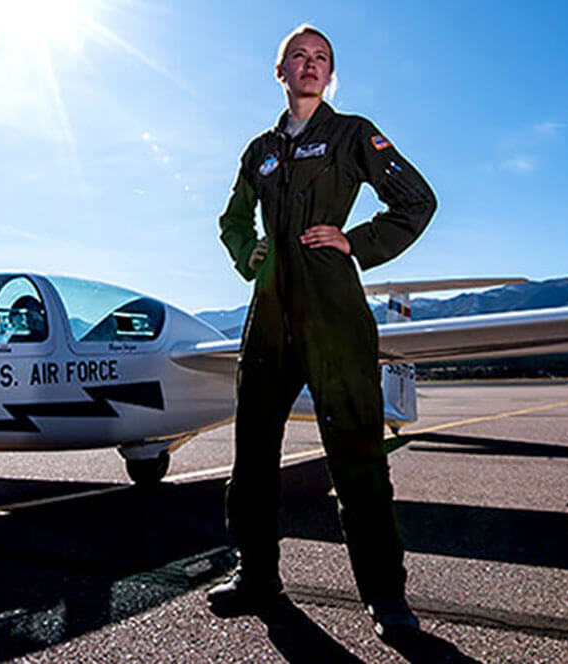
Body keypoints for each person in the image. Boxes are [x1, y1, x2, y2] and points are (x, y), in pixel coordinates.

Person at [207, 24, 436, 639]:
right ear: (279, 72)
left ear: (329, 75)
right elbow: (231, 219)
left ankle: (388, 599)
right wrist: (247, 252)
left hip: (333, 314)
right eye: (298, 58)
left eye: (321, 59)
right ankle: (256, 574)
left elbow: (416, 201)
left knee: (357, 457)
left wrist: (354, 242)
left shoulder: (352, 133)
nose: (310, 66)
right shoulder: (259, 150)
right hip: (268, 319)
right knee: (253, 455)